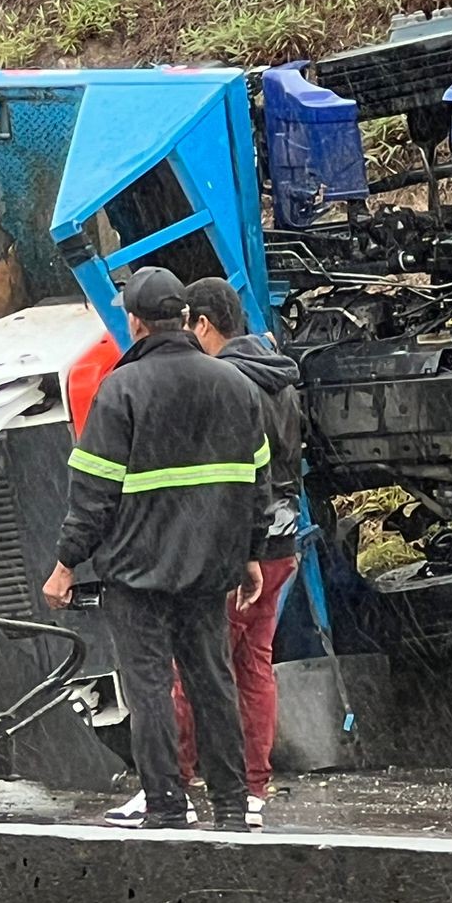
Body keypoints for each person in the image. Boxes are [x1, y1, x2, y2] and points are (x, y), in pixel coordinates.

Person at [42, 266, 270, 832]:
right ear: (185, 318)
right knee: (212, 681)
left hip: (139, 573)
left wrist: (66, 562)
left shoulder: (121, 389)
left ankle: (166, 803)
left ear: (137, 321)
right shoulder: (234, 385)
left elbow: (92, 490)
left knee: (148, 686)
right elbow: (258, 481)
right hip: (209, 567)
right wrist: (249, 553)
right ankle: (233, 804)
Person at [104, 276, 301, 830]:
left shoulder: (228, 383)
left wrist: (236, 546)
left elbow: (233, 476)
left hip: (243, 548)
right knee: (252, 666)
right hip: (282, 538)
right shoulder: (278, 377)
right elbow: (273, 469)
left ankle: (175, 787)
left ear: (204, 324)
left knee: (197, 672)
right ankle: (253, 788)